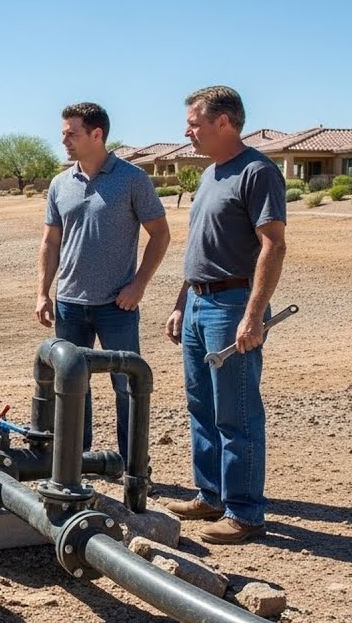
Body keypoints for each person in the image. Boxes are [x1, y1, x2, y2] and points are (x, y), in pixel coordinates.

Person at [164, 86, 287, 545]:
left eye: (195, 122)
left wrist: (253, 315)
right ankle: (211, 495)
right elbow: (201, 248)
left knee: (236, 412)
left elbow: (273, 244)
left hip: (233, 307)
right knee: (202, 407)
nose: (187, 131)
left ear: (224, 123)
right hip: (199, 303)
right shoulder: (211, 174)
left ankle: (245, 514)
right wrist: (182, 302)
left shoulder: (257, 172)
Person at [36, 102, 170, 458]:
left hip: (117, 305)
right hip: (69, 304)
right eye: (63, 133)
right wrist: (42, 293)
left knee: (128, 387)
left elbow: (160, 235)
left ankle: (134, 468)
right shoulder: (60, 184)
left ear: (97, 134)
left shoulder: (132, 179)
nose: (64, 140)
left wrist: (139, 285)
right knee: (72, 384)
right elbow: (51, 241)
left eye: (71, 133)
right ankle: (75, 463)